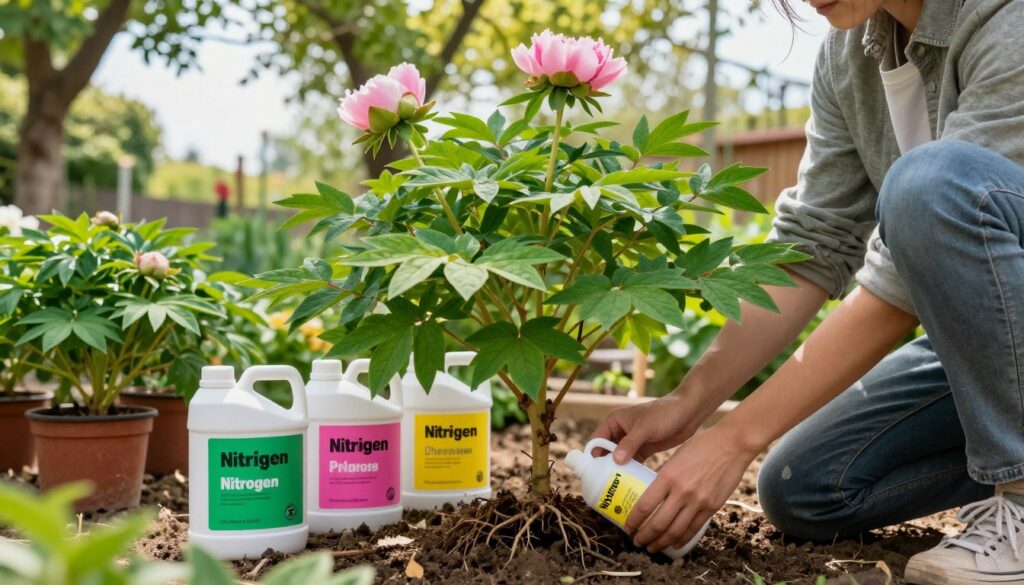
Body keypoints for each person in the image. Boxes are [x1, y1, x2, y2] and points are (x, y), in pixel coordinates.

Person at [591, 0, 1024, 582]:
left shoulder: (1005, 16)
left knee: (929, 185)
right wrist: (688, 404)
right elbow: (814, 246)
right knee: (807, 485)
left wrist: (736, 438)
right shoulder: (850, 55)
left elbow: (909, 267)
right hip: (991, 342)